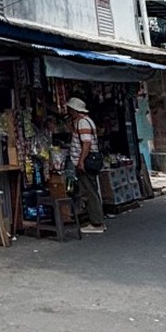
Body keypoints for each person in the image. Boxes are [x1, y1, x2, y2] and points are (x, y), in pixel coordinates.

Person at [66, 96, 105, 233]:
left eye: (70, 110)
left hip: (87, 161)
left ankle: (97, 223)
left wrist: (81, 161)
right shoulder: (85, 121)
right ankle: (95, 220)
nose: (69, 112)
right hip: (89, 159)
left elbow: (86, 143)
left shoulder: (82, 123)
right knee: (89, 190)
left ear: (75, 110)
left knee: (89, 191)